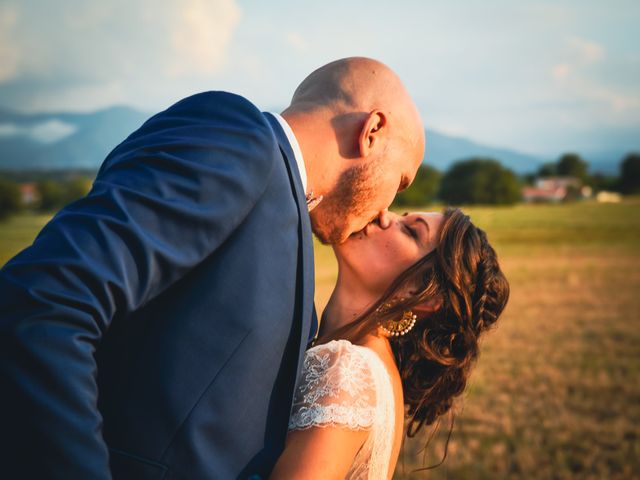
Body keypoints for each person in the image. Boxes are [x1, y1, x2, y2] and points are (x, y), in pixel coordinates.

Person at [0, 57, 424, 479]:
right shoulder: (238, 138)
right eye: (400, 181)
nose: (387, 209)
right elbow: (47, 302)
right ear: (371, 132)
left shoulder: (290, 226)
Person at [271, 208, 510, 479]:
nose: (384, 214)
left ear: (423, 293)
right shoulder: (374, 371)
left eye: (409, 230)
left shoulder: (350, 372)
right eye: (403, 215)